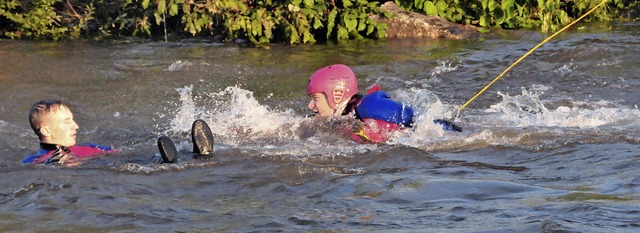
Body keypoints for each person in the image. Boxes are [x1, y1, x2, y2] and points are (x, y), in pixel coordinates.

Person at [22, 100, 214, 166]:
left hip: (112, 162)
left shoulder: (90, 148)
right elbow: (31, 169)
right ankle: (168, 163)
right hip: (96, 172)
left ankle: (195, 154)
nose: (76, 126)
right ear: (45, 129)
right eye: (67, 121)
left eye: (72, 119)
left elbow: (123, 156)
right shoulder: (35, 160)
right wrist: (53, 165)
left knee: (136, 159)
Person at [306, 64, 414, 144]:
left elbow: (411, 118)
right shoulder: (340, 118)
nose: (310, 105)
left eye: (315, 98)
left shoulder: (370, 106)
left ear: (337, 96)